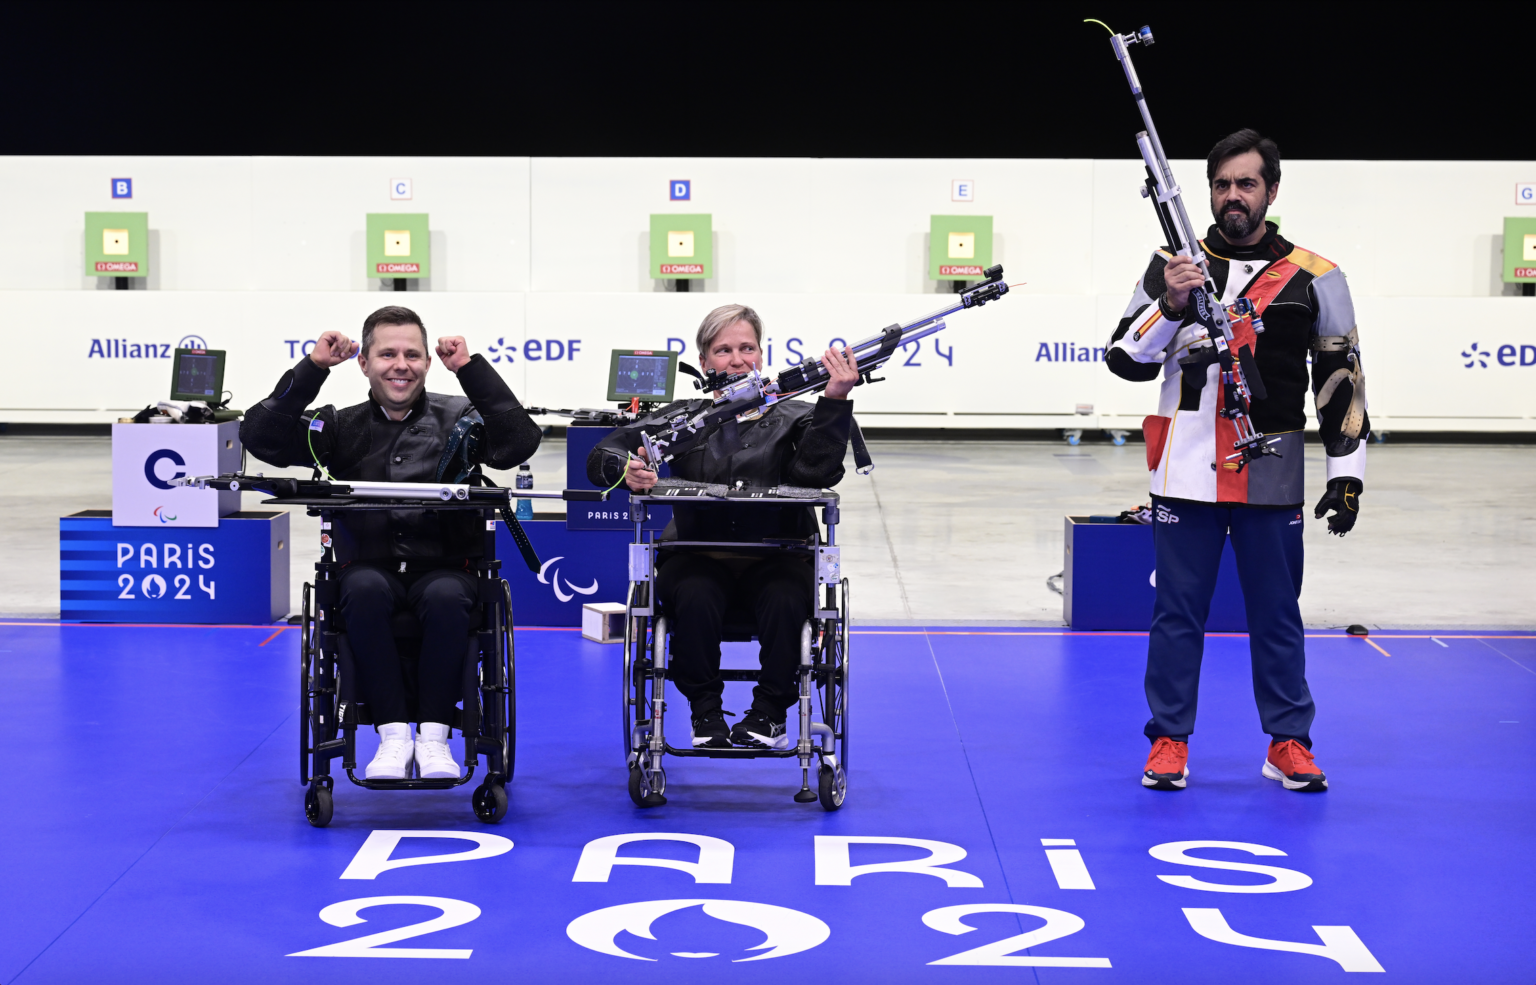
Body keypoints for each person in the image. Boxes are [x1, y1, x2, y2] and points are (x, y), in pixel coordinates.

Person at [1105, 130, 1368, 794]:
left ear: (1271, 191)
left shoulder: (1317, 275)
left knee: (1278, 613)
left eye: (1245, 184)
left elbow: (1342, 380)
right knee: (1176, 613)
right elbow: (1122, 360)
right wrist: (1168, 304)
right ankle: (1168, 739)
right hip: (1184, 474)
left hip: (1272, 473)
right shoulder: (1172, 264)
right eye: (1221, 185)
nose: (1232, 197)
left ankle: (1288, 740)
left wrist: (1347, 477)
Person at [242, 305, 540, 780]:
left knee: (445, 595)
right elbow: (258, 436)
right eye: (387, 354)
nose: (401, 365)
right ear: (364, 363)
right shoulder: (338, 426)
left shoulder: (461, 419)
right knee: (360, 589)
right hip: (366, 570)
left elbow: (520, 442)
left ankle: (436, 738)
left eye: (412, 355)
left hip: (448, 570)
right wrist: (313, 367)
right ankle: (394, 735)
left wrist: (470, 370)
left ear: (427, 362)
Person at [588, 304, 860, 751]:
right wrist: (627, 467)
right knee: (692, 592)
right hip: (697, 555)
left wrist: (834, 400)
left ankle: (770, 714)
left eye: (747, 347)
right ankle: (706, 712)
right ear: (704, 363)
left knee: (788, 596)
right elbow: (602, 454)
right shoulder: (682, 418)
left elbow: (817, 472)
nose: (737, 359)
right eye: (724, 350)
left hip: (779, 556)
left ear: (761, 353)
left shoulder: (797, 415)